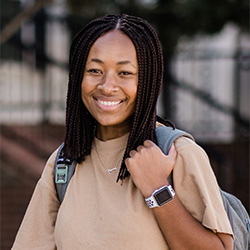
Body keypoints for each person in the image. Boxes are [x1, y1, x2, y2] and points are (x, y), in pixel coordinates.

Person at [12, 14, 234, 250]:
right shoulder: (64, 163)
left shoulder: (177, 154)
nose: (107, 86)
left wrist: (157, 189)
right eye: (95, 70)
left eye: (125, 73)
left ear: (148, 81)